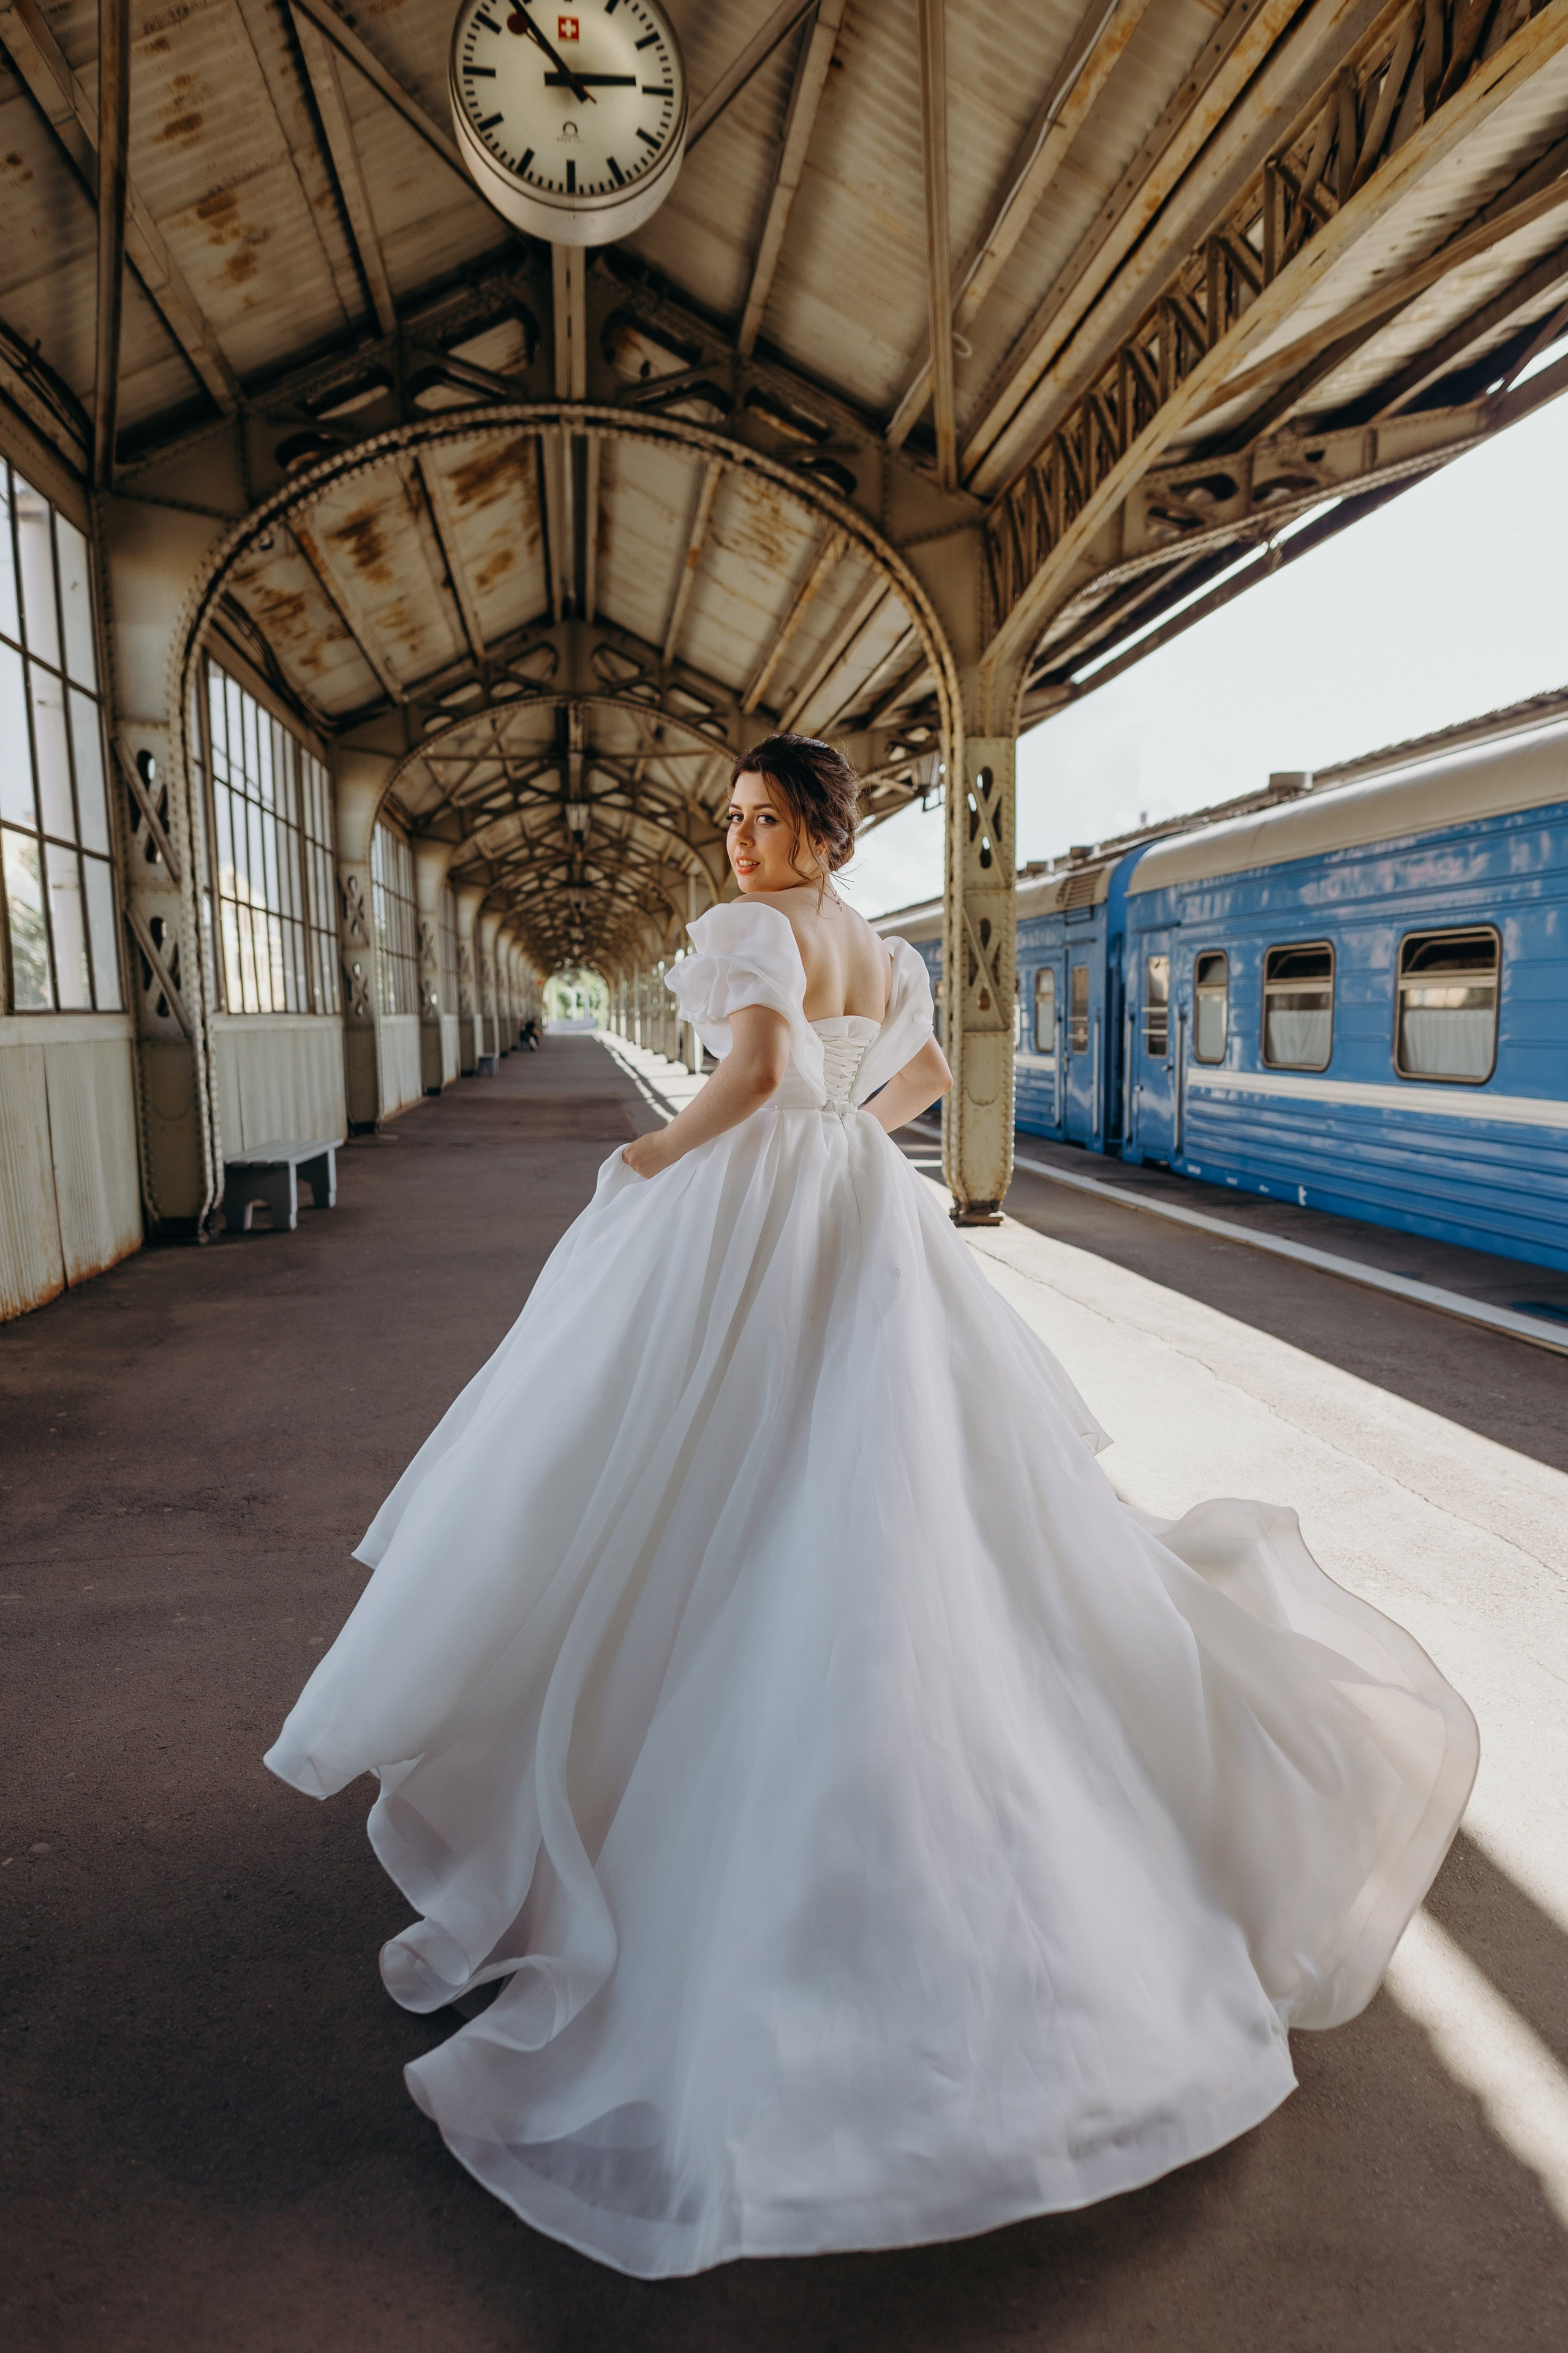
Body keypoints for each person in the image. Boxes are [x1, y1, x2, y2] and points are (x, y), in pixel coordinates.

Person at [265, 733, 1476, 2281]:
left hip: (746, 1209)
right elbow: (908, 1083)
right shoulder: (882, 948)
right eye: (730, 821)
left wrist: (656, 1145)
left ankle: (654, 1779)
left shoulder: (744, 941)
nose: (739, 844)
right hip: (859, 1214)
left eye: (766, 821)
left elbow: (757, 1074)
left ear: (820, 836)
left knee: (682, 1469)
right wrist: (844, 1141)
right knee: (909, 1503)